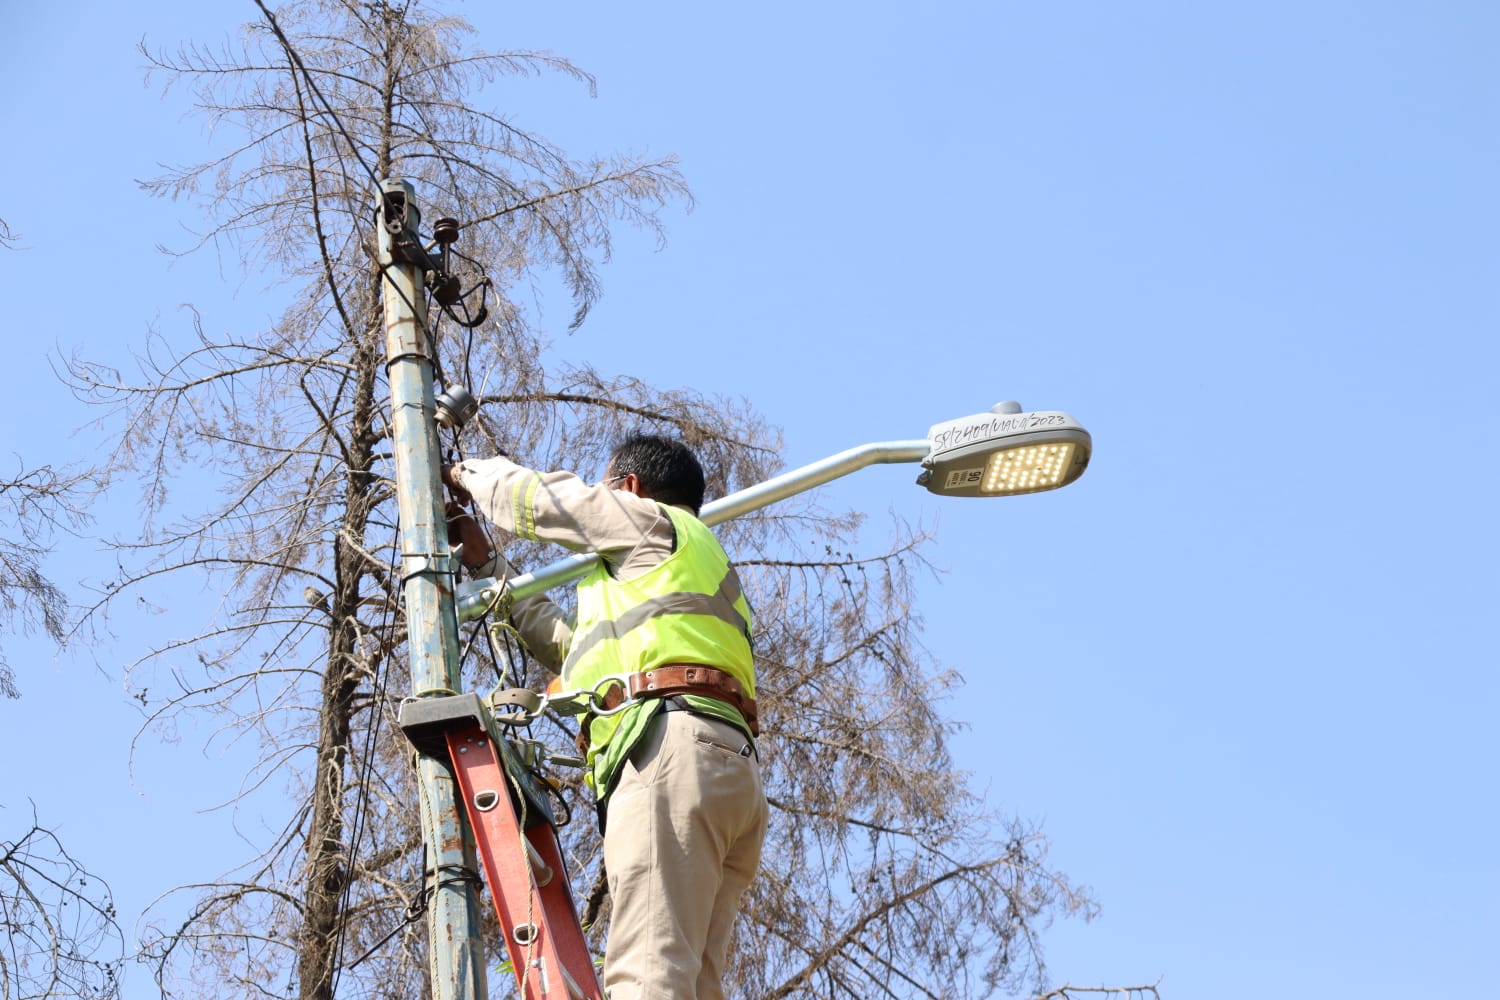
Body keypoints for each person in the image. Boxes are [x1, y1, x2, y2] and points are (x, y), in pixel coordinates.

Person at [443, 433, 767, 1000]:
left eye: (607, 489)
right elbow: (574, 651)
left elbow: (543, 500)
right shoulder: (673, 572)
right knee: (690, 983)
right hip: (721, 765)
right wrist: (487, 564)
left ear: (631, 490)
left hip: (668, 748)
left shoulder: (652, 523)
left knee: (649, 975)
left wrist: (461, 471)